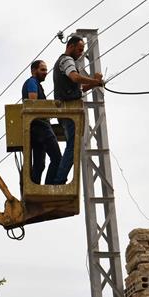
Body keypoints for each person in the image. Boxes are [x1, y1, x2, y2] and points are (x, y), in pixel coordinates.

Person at [51, 34, 104, 185]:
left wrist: (95, 83)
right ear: (71, 46)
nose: (81, 53)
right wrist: (94, 80)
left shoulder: (67, 61)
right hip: (68, 111)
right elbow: (75, 78)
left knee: (72, 146)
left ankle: (58, 178)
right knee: (73, 146)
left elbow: (79, 88)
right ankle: (59, 180)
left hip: (67, 111)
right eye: (80, 49)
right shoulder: (67, 60)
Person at [21, 60, 62, 185]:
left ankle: (35, 188)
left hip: (35, 127)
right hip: (40, 126)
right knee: (57, 158)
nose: (45, 72)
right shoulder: (32, 83)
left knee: (39, 165)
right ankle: (49, 186)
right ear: (34, 71)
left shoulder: (34, 83)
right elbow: (33, 104)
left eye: (46, 70)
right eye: (42, 70)